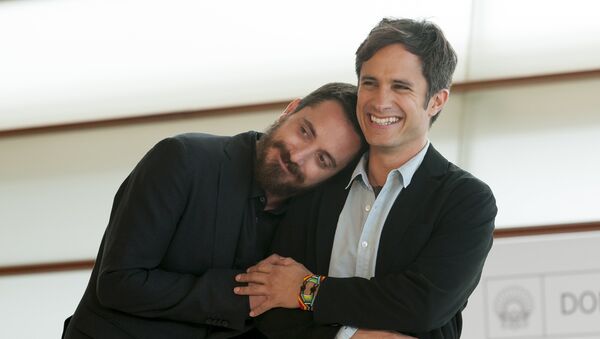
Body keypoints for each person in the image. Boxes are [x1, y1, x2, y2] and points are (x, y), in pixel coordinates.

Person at [234, 18, 498, 338]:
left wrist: (307, 290)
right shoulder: (321, 178)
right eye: (370, 83)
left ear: (436, 100)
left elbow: (424, 305)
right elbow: (272, 298)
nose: (379, 101)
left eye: (400, 87)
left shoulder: (466, 201)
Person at [61, 82, 365, 339]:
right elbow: (118, 283)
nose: (298, 156)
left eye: (323, 160)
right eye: (305, 131)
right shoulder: (182, 159)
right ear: (291, 109)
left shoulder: (311, 224)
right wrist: (248, 295)